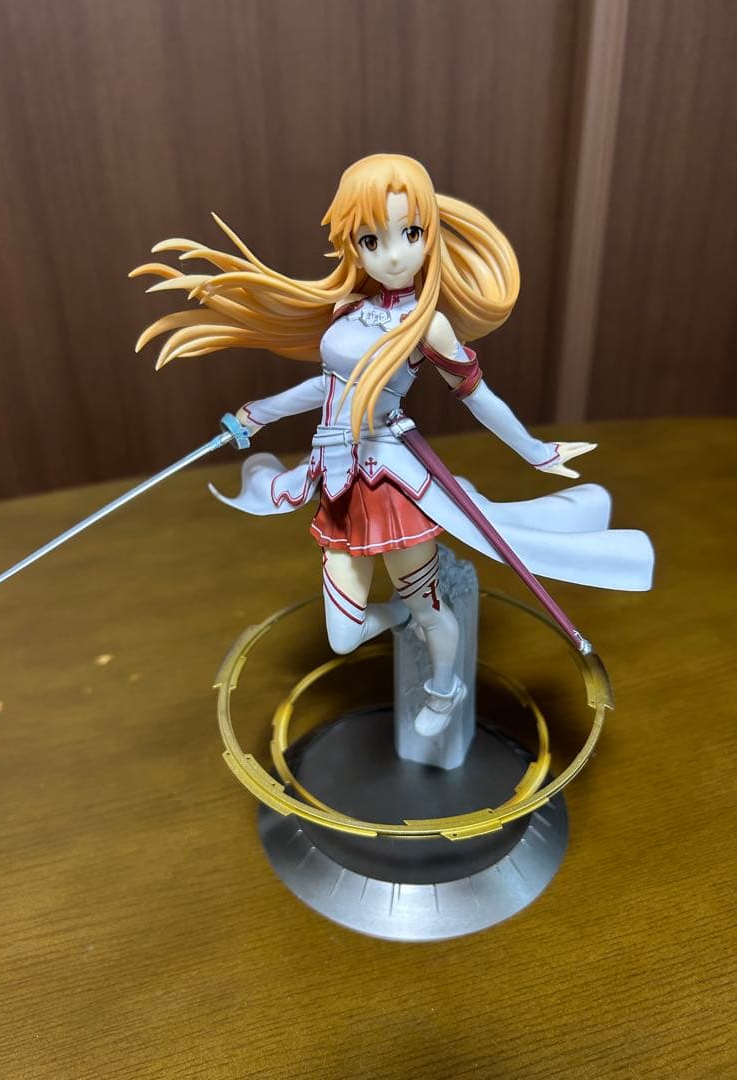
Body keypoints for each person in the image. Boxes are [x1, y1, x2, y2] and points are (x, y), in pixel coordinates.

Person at [132, 154, 653, 736]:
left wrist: (537, 451)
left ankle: (444, 690)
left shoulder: (428, 325)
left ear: (429, 234)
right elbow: (329, 386)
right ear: (353, 247)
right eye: (372, 240)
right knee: (343, 636)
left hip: (390, 482)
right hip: (337, 477)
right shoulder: (348, 311)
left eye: (410, 233)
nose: (395, 255)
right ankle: (399, 615)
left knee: (431, 610)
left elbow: (477, 396)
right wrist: (258, 413)